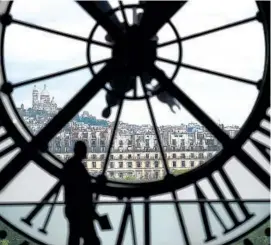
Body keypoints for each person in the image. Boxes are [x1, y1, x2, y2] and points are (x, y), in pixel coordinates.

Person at [62, 141, 101, 245]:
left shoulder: (71, 165)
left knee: (75, 239)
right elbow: (84, 190)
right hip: (81, 212)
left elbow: (79, 189)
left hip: (75, 210)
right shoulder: (77, 166)